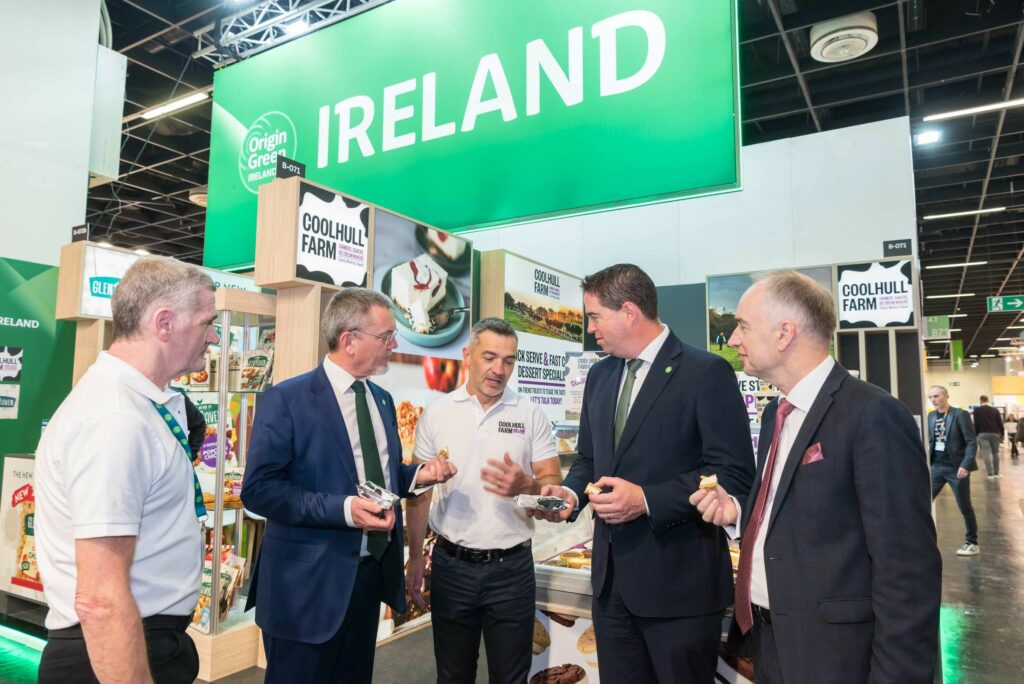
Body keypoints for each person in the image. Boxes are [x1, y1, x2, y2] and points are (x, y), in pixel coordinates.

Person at [690, 270, 941, 684]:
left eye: (742, 326)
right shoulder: (776, 414)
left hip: (838, 655)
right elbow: (795, 510)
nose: (733, 339)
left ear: (784, 333)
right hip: (772, 643)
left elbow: (908, 574)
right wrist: (736, 512)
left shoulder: (872, 415)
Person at [534, 263, 754, 683]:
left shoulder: (704, 372)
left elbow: (733, 473)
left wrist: (647, 500)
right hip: (612, 590)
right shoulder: (600, 376)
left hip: (680, 591)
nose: (590, 327)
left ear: (629, 311)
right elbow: (588, 460)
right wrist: (571, 494)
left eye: (595, 315)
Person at [241, 288, 457, 683]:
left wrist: (418, 476)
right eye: (386, 336)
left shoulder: (383, 400)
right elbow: (260, 490)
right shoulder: (286, 399)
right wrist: (344, 509)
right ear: (349, 340)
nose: (394, 345)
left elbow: (380, 478)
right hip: (305, 590)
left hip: (365, 581)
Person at [35, 258, 219, 683]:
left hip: (141, 638)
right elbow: (100, 597)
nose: (213, 336)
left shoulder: (142, 403)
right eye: (207, 322)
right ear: (165, 323)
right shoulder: (115, 418)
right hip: (108, 651)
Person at [405, 318, 562, 683]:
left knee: (511, 676)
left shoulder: (530, 413)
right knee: (452, 674)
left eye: (509, 360)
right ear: (467, 355)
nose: (499, 369)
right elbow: (418, 492)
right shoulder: (438, 413)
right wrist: (415, 558)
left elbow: (552, 482)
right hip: (451, 566)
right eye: (490, 357)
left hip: (512, 571)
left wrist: (529, 484)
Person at [928, 385, 980, 556]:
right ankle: (922, 537)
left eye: (936, 396)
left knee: (965, 506)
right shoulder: (931, 416)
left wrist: (965, 465)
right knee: (924, 501)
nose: (933, 400)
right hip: (936, 467)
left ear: (946, 396)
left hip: (956, 468)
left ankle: (972, 542)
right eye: (931, 397)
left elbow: (971, 442)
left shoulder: (960, 415)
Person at [973, 395, 1003, 478]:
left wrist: (976, 434)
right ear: (988, 400)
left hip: (983, 434)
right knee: (995, 453)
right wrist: (1002, 434)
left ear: (980, 400)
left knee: (986, 454)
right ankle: (996, 473)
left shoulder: (977, 411)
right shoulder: (995, 410)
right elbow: (1000, 423)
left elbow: (976, 424)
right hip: (995, 433)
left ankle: (990, 474)